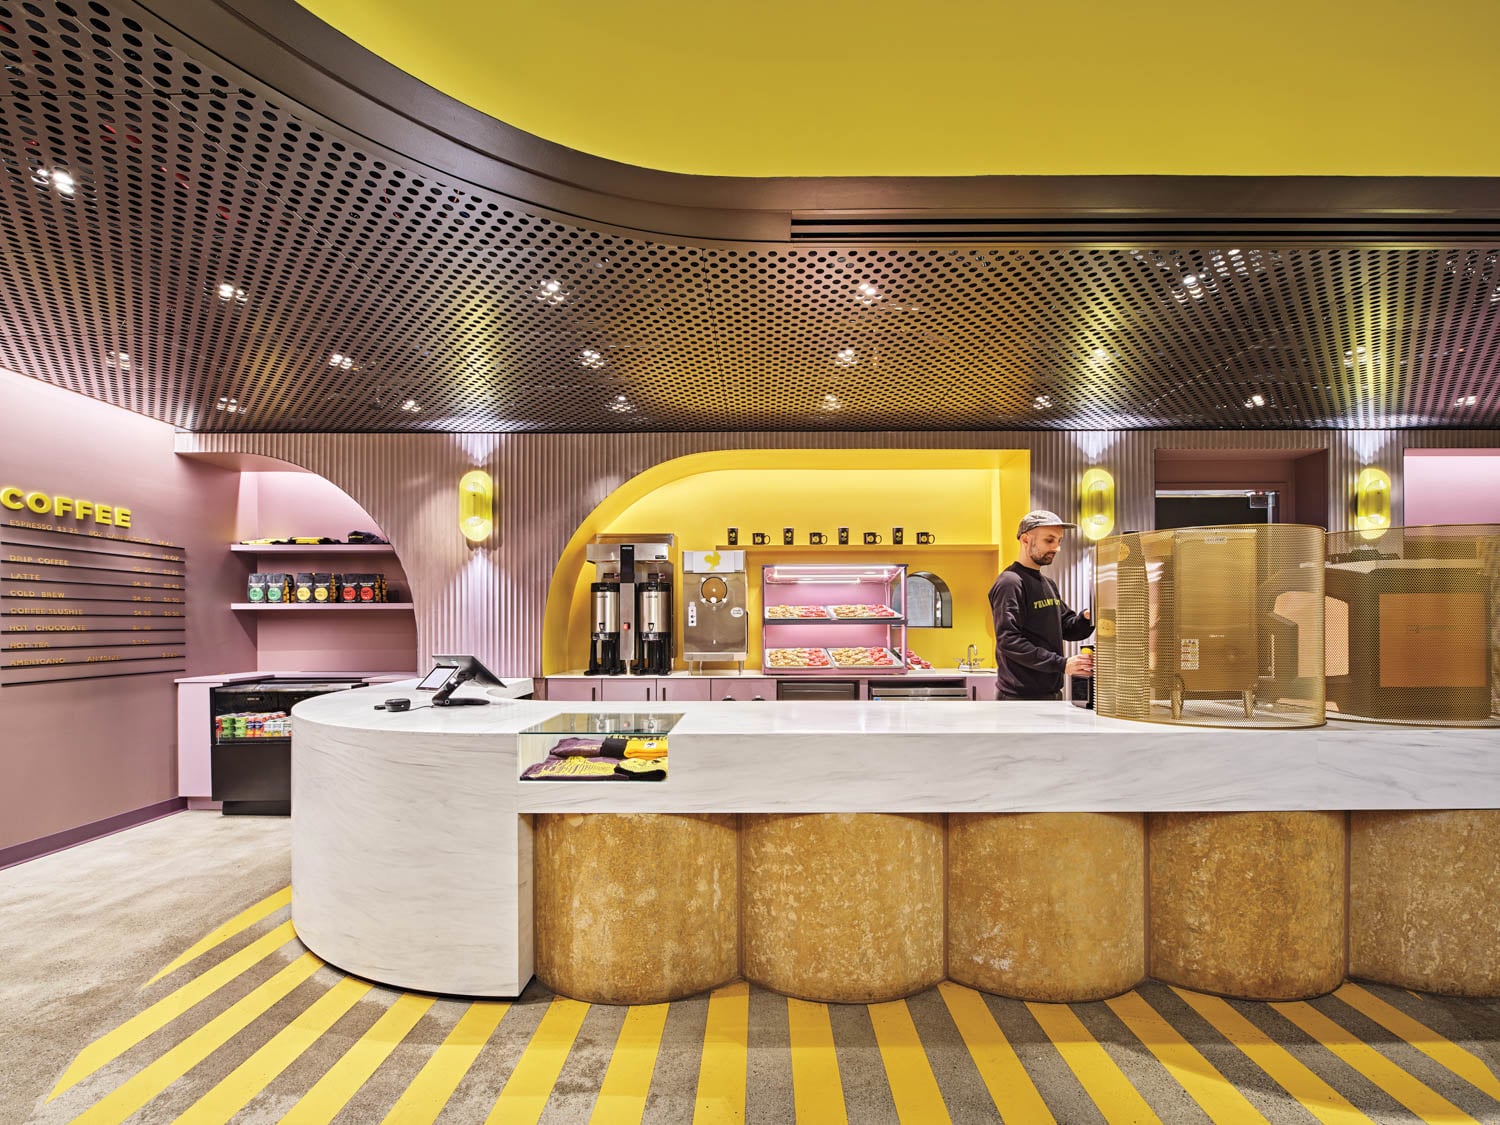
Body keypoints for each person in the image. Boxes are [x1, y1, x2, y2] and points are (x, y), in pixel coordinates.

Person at [989, 510, 1095, 700]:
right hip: (1019, 700)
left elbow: (1067, 628)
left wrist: (1088, 617)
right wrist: (1061, 664)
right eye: (1049, 540)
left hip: (1051, 695)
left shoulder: (1048, 584)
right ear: (1025, 540)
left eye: (1059, 541)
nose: (1056, 548)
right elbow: (1009, 641)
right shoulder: (1010, 583)